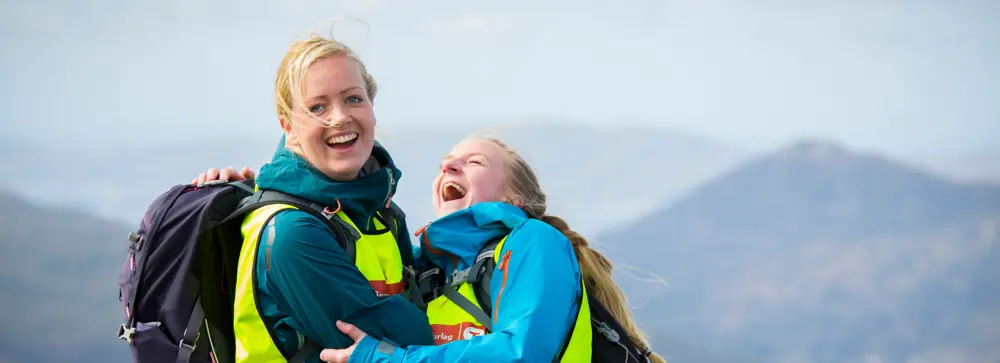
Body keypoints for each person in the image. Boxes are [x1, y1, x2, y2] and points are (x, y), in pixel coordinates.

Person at [202, 136, 664, 362]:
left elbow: (522, 353)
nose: (450, 164)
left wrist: (389, 361)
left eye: (473, 162)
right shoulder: (423, 264)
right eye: (446, 162)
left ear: (513, 199)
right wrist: (254, 191)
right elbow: (326, 238)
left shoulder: (533, 244)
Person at [196, 33, 434, 363]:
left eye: (353, 99)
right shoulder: (294, 233)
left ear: (372, 106)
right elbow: (413, 345)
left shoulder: (377, 212)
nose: (339, 117)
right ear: (288, 127)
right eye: (317, 107)